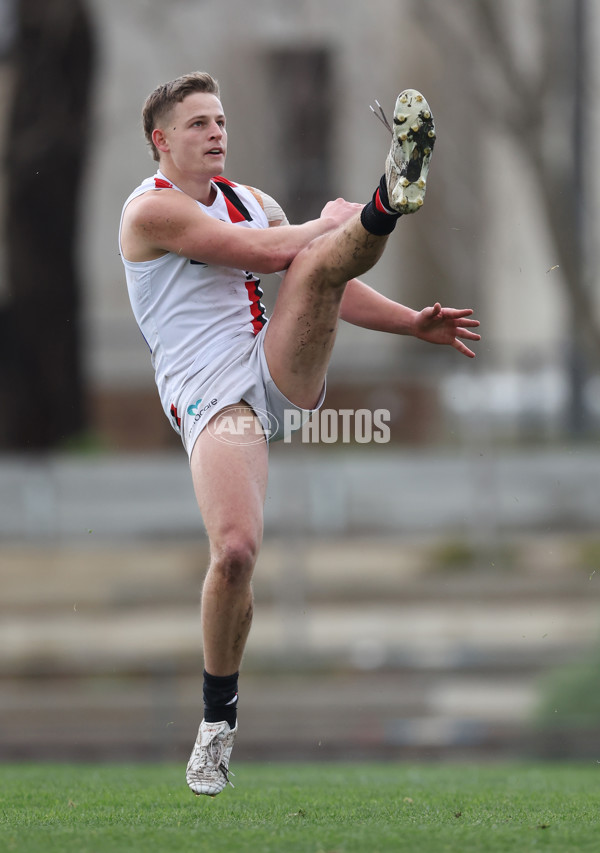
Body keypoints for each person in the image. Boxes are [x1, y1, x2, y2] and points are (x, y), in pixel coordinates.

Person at [119, 71, 480, 797]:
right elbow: (259, 253)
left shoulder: (255, 201)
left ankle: (386, 200)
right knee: (235, 555)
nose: (216, 131)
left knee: (318, 262)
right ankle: (218, 723)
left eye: (219, 119)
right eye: (197, 124)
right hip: (213, 401)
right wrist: (329, 222)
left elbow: (322, 276)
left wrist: (411, 321)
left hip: (275, 368)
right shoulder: (147, 212)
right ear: (161, 140)